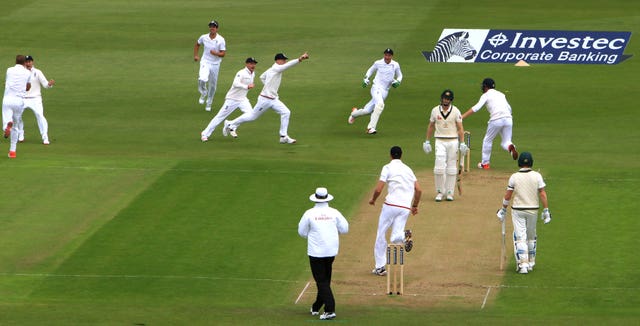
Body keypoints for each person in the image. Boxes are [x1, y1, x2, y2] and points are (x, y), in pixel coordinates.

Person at [223, 52, 309, 144]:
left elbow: (262, 77)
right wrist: (300, 59)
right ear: (278, 60)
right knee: (252, 116)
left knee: (286, 112)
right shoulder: (276, 67)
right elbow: (287, 66)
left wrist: (269, 87)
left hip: (274, 99)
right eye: (283, 60)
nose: (285, 61)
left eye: (285, 60)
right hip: (265, 99)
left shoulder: (272, 69)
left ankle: (283, 136)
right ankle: (230, 123)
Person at [298, 187, 349, 321]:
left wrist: (313, 234)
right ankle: (316, 306)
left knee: (321, 281)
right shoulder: (334, 212)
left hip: (316, 252)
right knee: (325, 280)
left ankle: (330, 309)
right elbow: (345, 229)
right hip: (331, 250)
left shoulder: (309, 213)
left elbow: (302, 232)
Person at [369, 146, 422, 276]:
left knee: (381, 234)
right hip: (405, 207)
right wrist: (414, 206)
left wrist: (373, 199)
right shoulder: (408, 170)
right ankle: (404, 235)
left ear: (391, 155)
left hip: (390, 205)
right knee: (395, 238)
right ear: (401, 156)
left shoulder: (387, 167)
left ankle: (380, 267)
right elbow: (419, 190)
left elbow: (379, 189)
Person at [496, 152, 551, 274]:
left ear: (519, 163)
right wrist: (546, 210)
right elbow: (542, 193)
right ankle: (531, 262)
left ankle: (523, 265)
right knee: (531, 236)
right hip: (533, 209)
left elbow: (508, 195)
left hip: (518, 210)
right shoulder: (537, 176)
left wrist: (503, 209)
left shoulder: (514, 177)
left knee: (520, 237)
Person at [461, 78, 518, 169]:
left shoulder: (486, 95)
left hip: (496, 119)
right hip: (508, 118)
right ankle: (511, 148)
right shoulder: (501, 94)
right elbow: (509, 108)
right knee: (506, 142)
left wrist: (462, 116)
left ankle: (485, 164)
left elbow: (476, 108)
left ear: (485, 86)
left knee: (487, 140)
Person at [423, 89, 468, 202]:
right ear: (441, 98)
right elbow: (431, 126)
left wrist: (462, 143)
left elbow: (460, 128)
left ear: (451, 100)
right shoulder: (435, 110)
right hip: (439, 140)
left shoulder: (456, 111)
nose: (445, 100)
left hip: (453, 141)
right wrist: (427, 141)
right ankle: (439, 192)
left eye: (447, 99)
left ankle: (449, 192)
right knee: (439, 167)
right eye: (444, 98)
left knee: (452, 168)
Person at [200, 57, 258, 142]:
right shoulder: (241, 73)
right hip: (232, 99)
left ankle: (231, 124)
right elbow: (235, 83)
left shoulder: (253, 74)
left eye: (254, 64)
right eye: (251, 63)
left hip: (242, 99)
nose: (253, 65)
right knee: (220, 117)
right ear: (246, 64)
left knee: (251, 115)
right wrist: (246, 86)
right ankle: (205, 134)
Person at [348, 48, 403, 135]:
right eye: (385, 55)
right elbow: (370, 70)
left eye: (389, 55)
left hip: (385, 91)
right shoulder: (378, 63)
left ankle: (354, 113)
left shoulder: (395, 64)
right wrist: (366, 78)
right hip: (376, 88)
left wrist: (398, 81)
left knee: (367, 111)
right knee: (380, 104)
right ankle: (370, 127)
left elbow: (400, 75)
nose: (387, 57)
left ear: (392, 56)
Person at [17, 55, 54, 145]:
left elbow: (45, 85)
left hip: (35, 98)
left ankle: (45, 137)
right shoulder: (20, 72)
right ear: (24, 63)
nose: (28, 63)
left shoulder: (38, 72)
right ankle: (20, 135)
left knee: (40, 116)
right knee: (17, 116)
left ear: (32, 62)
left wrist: (49, 84)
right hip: (23, 98)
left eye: (30, 61)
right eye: (26, 61)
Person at [2, 55, 31, 158]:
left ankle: (6, 126)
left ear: (15, 61)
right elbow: (28, 87)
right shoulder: (28, 72)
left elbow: (6, 83)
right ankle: (12, 151)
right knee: (16, 126)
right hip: (19, 101)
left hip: (8, 99)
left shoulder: (9, 70)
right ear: (24, 63)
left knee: (7, 119)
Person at [193, 20, 226, 112]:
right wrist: (196, 55)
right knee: (202, 79)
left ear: (217, 28)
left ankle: (209, 102)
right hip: (205, 62)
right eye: (211, 26)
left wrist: (215, 53)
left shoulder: (221, 40)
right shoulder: (204, 37)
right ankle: (203, 93)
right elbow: (197, 44)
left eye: (214, 26)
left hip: (215, 64)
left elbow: (223, 54)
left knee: (213, 85)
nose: (212, 28)